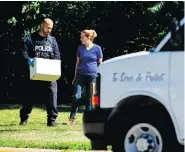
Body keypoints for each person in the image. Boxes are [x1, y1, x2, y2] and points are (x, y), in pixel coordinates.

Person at [19, 15, 61, 127]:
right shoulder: (30, 38)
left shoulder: (52, 41)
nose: (50, 30)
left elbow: (57, 56)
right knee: (29, 97)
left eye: (51, 28)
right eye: (48, 28)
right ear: (42, 25)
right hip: (34, 73)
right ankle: (24, 119)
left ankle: (52, 121)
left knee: (52, 95)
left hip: (49, 73)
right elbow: (23, 53)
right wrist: (29, 60)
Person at [69, 29, 103, 125]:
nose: (81, 39)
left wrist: (101, 77)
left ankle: (90, 120)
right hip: (80, 76)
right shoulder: (80, 48)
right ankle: (72, 118)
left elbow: (100, 64)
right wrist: (75, 77)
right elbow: (77, 63)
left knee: (91, 99)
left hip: (93, 76)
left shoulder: (97, 48)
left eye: (82, 37)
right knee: (76, 96)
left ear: (88, 38)